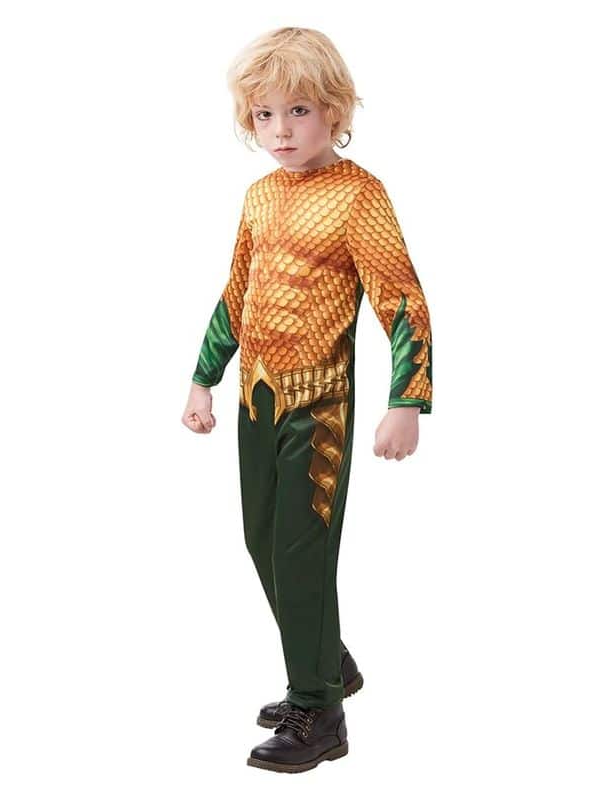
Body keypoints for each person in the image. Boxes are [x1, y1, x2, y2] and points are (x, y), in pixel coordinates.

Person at [183, 26, 433, 773]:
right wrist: (202, 377)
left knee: (300, 550)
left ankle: (319, 711)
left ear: (335, 109)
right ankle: (326, 660)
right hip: (256, 399)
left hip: (318, 404)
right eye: (265, 115)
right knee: (262, 540)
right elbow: (237, 293)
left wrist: (406, 400)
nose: (281, 131)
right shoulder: (259, 196)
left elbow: (402, 299)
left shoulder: (359, 196)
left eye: (298, 110)